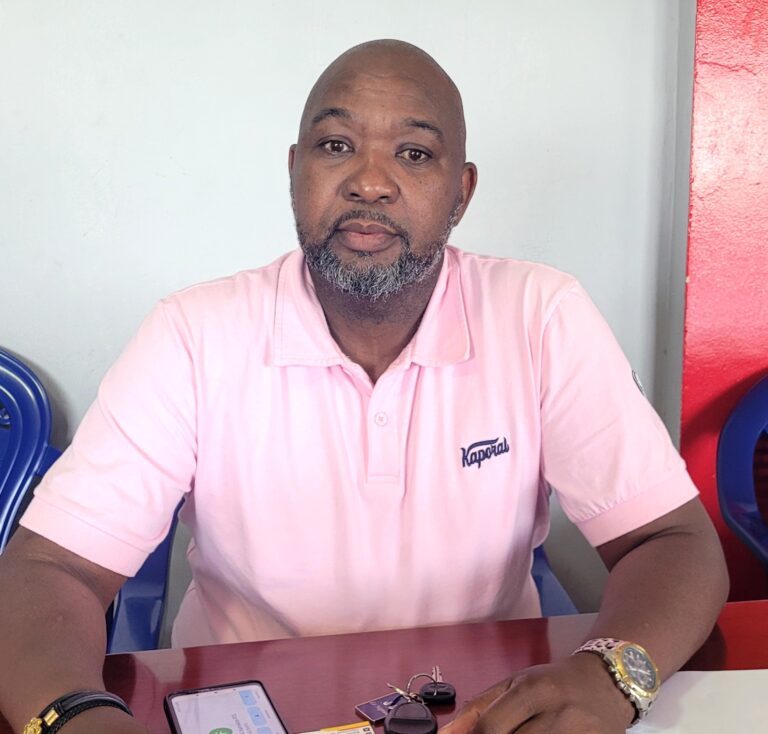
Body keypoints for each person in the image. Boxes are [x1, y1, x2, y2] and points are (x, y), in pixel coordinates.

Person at [0, 39, 728, 734]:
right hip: (242, 708)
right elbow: (52, 567)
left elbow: (671, 540)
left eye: (414, 153)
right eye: (336, 145)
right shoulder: (194, 334)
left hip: (484, 709)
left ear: (461, 192)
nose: (370, 181)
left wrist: (607, 677)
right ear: (295, 171)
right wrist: (72, 717)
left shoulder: (539, 315)